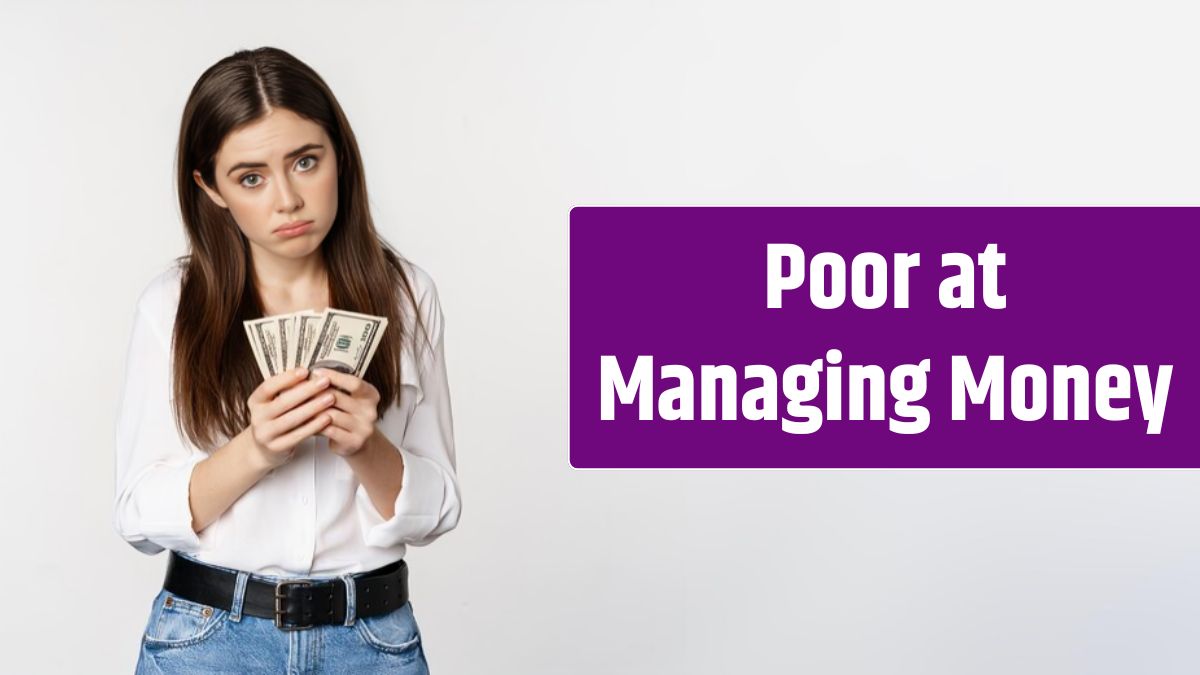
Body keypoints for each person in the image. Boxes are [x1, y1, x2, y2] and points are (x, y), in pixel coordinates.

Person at [112, 46, 462, 674]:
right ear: (210, 187)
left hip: (371, 640)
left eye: (306, 161)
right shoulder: (171, 306)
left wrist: (366, 447)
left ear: (339, 156)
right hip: (208, 641)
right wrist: (257, 451)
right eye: (251, 177)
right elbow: (138, 513)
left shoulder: (408, 295)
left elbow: (439, 508)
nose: (288, 200)